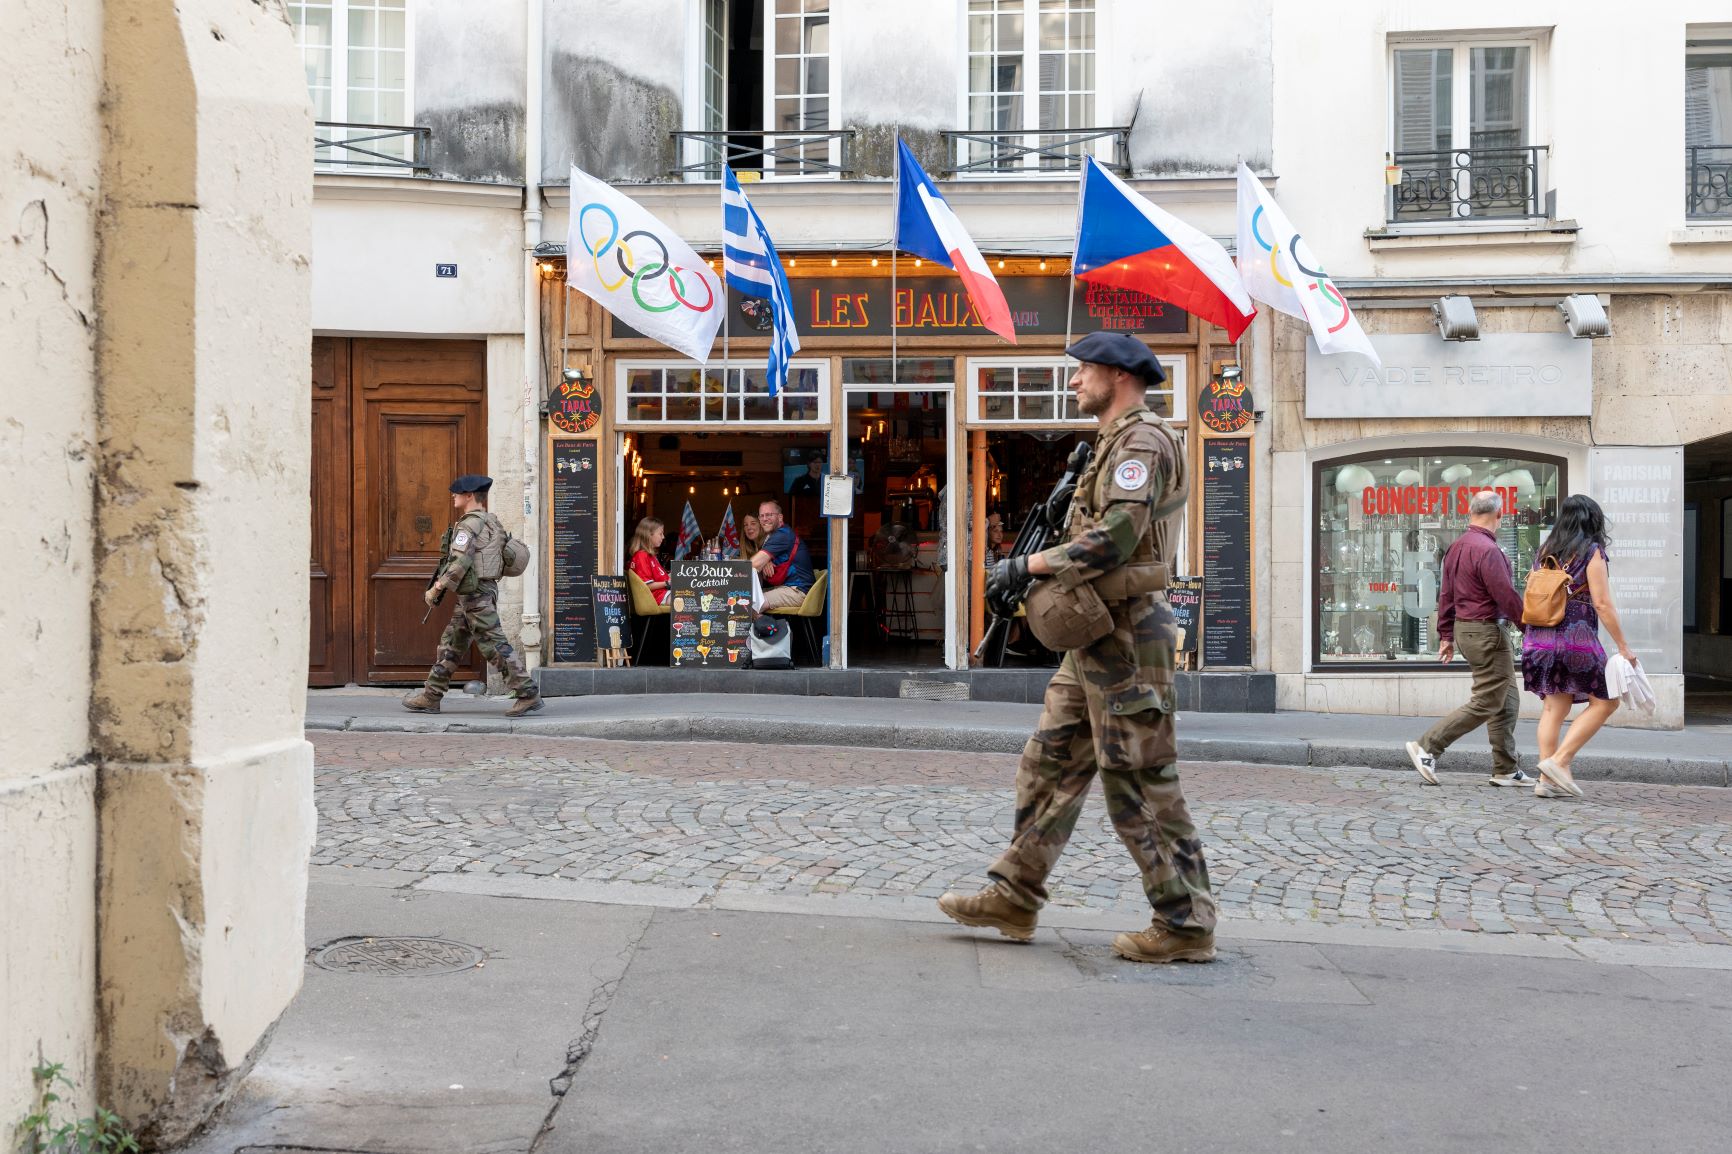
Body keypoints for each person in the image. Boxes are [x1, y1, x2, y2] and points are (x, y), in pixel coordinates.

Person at [938, 332, 1217, 965]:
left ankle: (1185, 920)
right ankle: (1016, 891)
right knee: (1050, 758)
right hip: (1095, 634)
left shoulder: (1140, 442)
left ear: (1117, 376)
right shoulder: (1109, 445)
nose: (1072, 382)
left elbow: (1117, 538)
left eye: (1082, 372)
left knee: (1139, 779)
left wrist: (1027, 566)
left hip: (1126, 635)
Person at [1404, 490, 1532, 787]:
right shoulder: (1488, 550)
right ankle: (1428, 745)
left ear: (1471, 512)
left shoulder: (1457, 547)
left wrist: (1446, 635)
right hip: (1487, 631)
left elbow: (1445, 594)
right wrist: (1530, 627)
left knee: (1506, 699)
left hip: (1467, 629)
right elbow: (1506, 595)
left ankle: (1505, 768)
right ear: (1499, 515)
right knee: (1488, 700)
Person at [1521, 494, 1633, 799]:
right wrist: (1624, 646)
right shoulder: (1592, 551)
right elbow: (1602, 603)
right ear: (1592, 520)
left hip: (1538, 638)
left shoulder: (1545, 551)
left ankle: (1545, 780)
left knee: (1554, 707)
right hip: (1575, 639)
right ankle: (1560, 761)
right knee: (1607, 701)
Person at [403, 474, 541, 716]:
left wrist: (437, 587)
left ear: (469, 496)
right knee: (452, 643)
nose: (453, 496)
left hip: (476, 595)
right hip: (479, 592)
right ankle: (431, 695)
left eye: (457, 493)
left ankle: (527, 692)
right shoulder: (491, 521)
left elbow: (459, 562)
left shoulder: (468, 525)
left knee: (494, 645)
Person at [751, 499, 814, 611]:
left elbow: (753, 564)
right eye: (761, 516)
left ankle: (779, 628)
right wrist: (766, 560)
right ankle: (769, 627)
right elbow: (760, 561)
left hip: (798, 591)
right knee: (743, 597)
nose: (765, 519)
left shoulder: (782, 534)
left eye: (769, 515)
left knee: (749, 603)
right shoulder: (773, 536)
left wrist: (729, 573)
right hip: (787, 588)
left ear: (780, 517)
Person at [628, 517, 670, 604]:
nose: (663, 537)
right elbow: (646, 585)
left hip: (664, 594)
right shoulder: (641, 556)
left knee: (697, 595)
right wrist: (668, 583)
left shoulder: (650, 556)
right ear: (649, 534)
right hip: (657, 597)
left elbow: (660, 578)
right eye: (660, 533)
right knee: (693, 601)